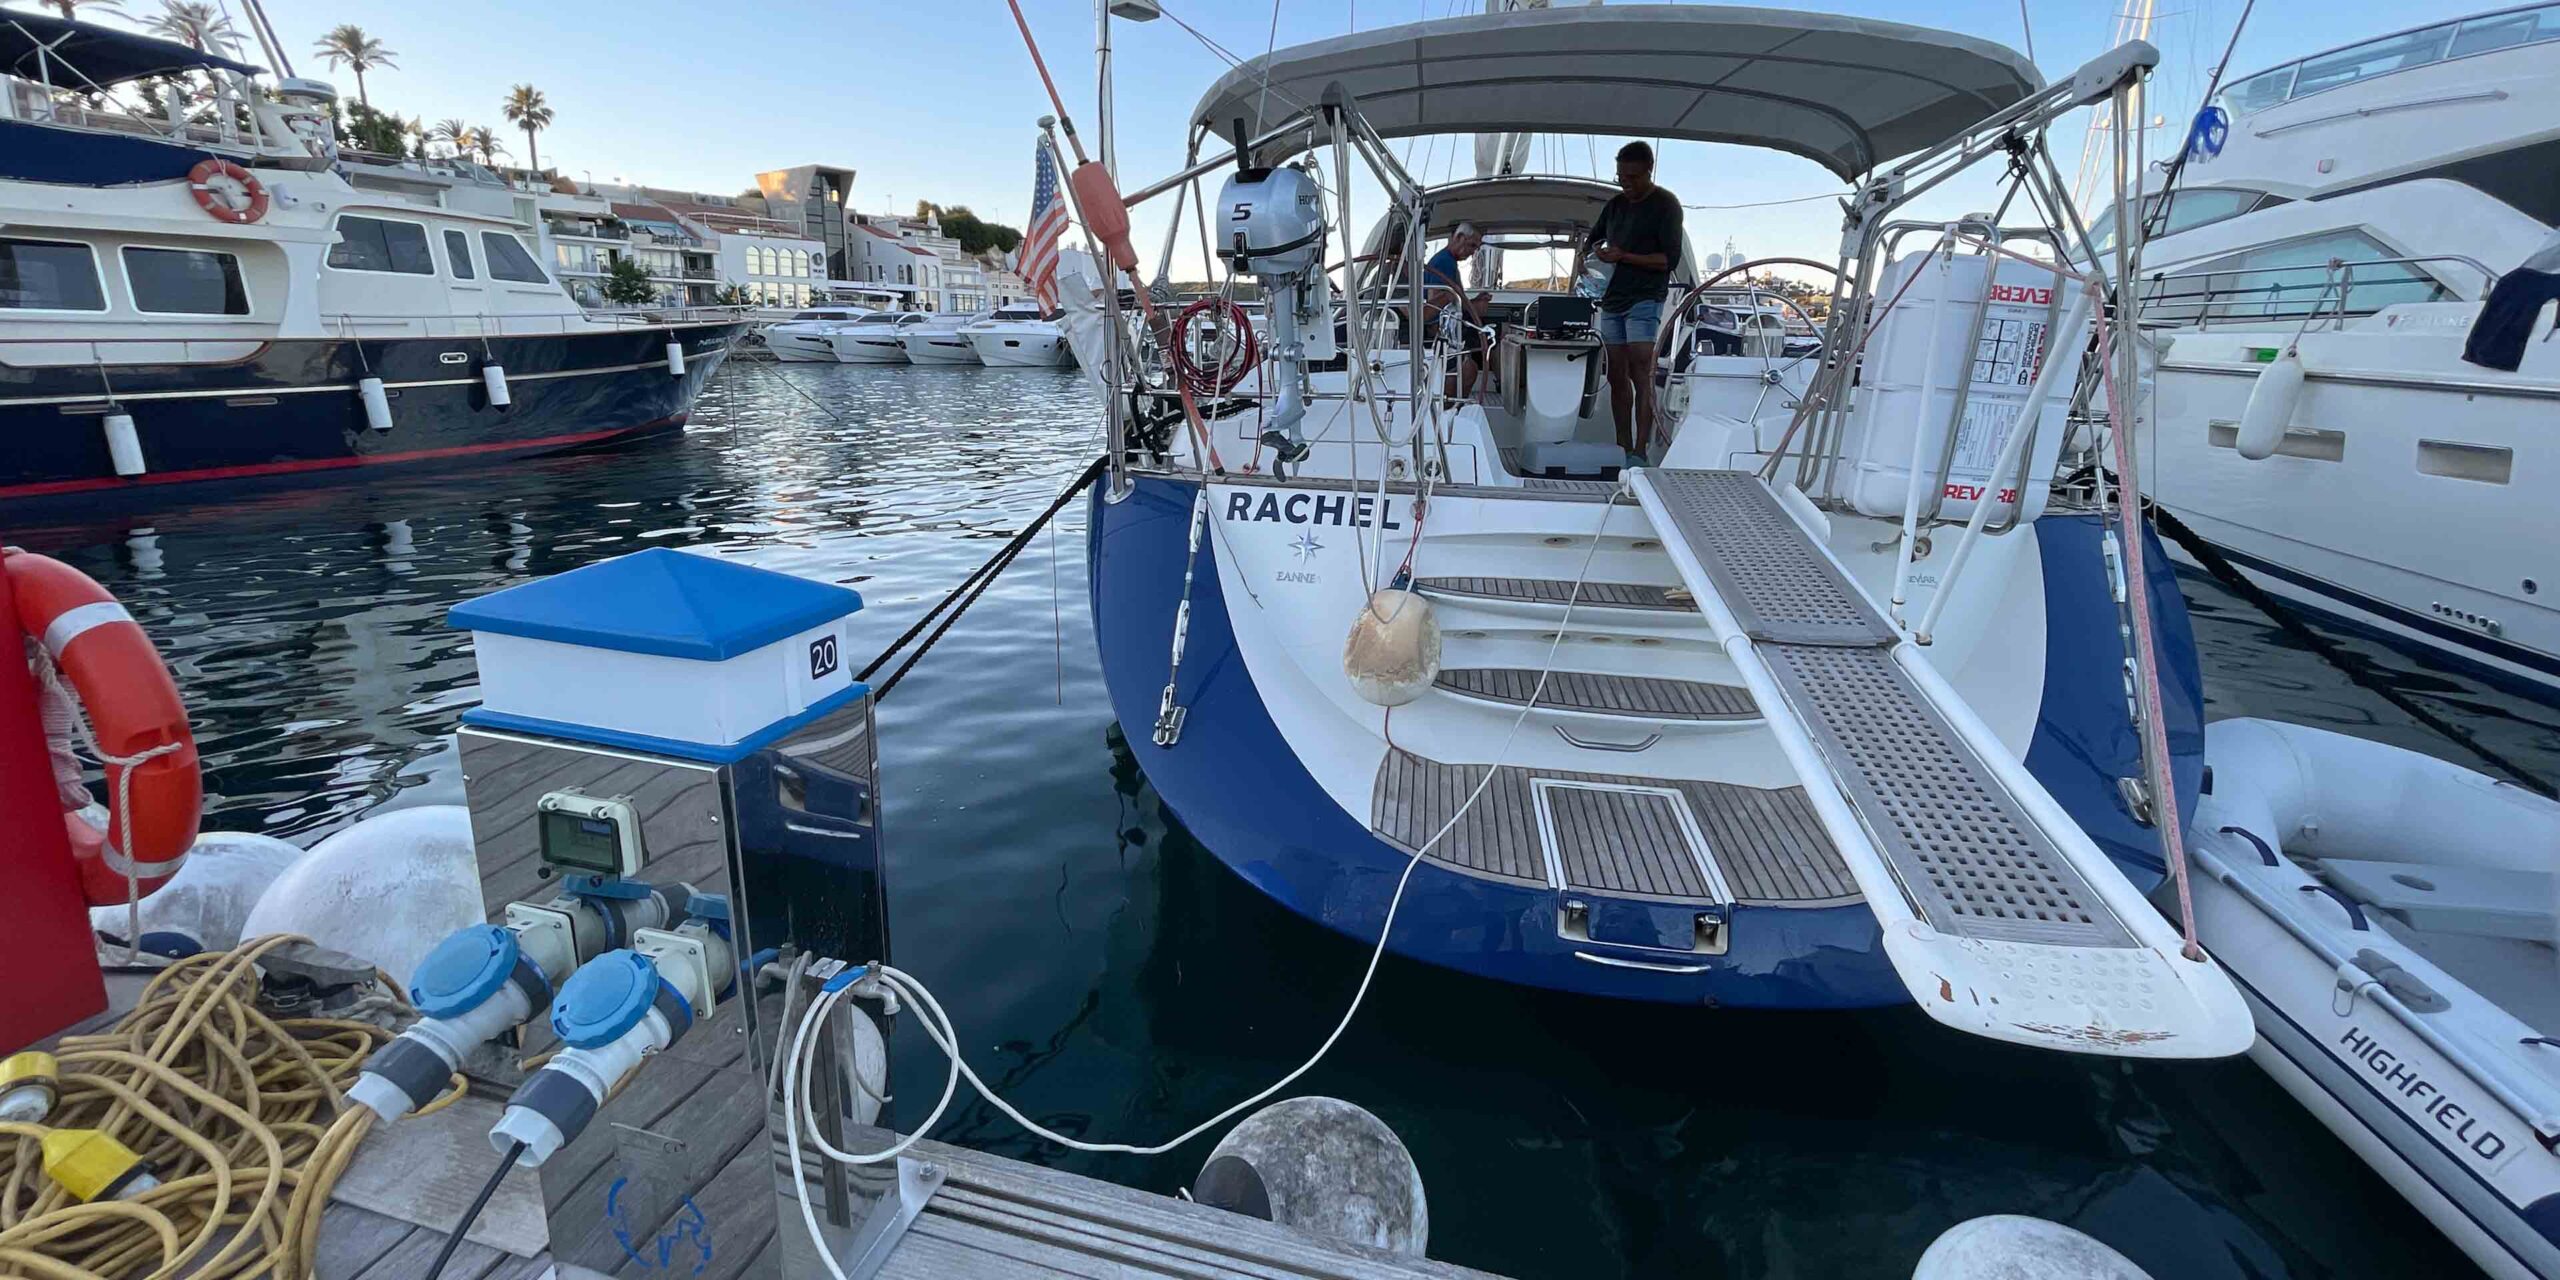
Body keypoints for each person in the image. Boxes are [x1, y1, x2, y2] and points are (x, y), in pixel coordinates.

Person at [1579, 141, 1684, 463]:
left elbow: (1668, 259)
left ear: (1649, 170)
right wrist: (1591, 255)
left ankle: (1641, 451)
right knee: (1616, 375)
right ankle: (1622, 447)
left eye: (1633, 177)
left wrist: (1624, 256)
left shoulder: (1666, 205)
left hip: (1645, 298)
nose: (1626, 183)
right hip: (1612, 300)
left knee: (1642, 372)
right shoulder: (1614, 205)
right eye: (1621, 177)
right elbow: (1592, 240)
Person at [1422, 223, 1492, 397]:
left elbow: (1452, 299)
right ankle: (1450, 410)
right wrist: (1476, 307)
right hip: (1441, 336)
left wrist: (1475, 301)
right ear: (1459, 238)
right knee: (1469, 371)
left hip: (1449, 333)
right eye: (1472, 245)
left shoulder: (1447, 261)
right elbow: (1436, 307)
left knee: (1473, 366)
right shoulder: (1444, 263)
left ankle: (1453, 410)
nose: (1474, 252)